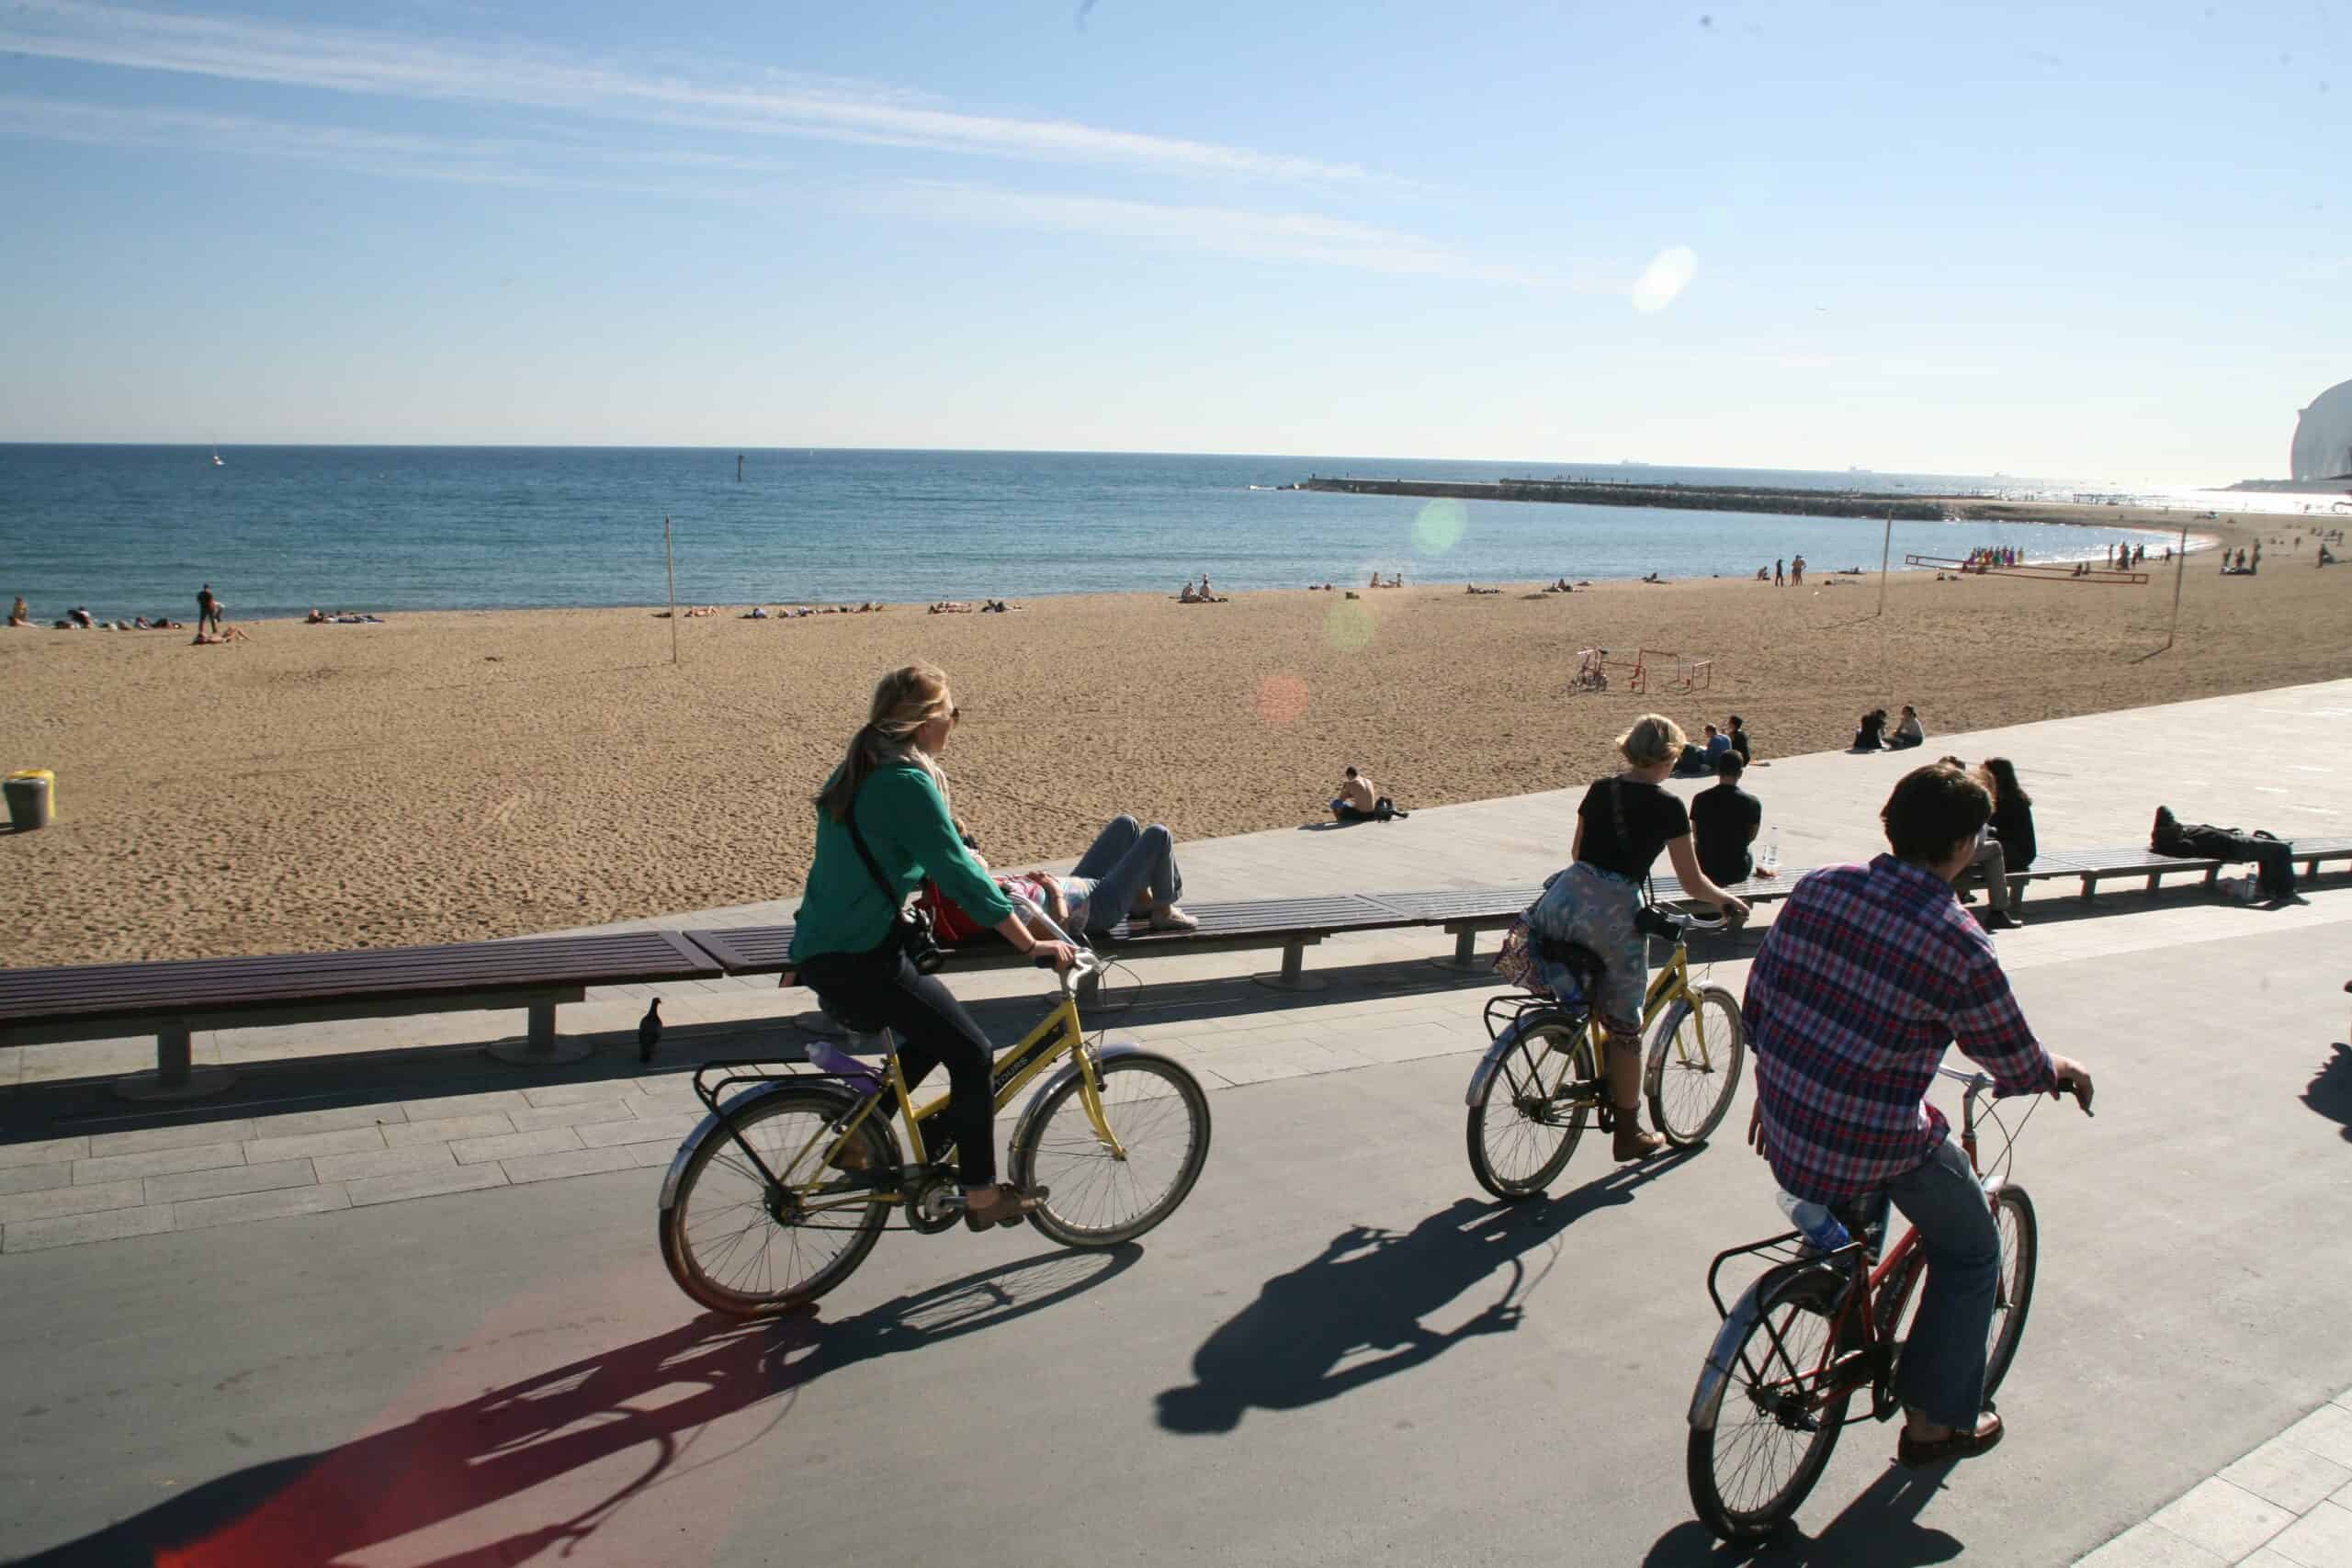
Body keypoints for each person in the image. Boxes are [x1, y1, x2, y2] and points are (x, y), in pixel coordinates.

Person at [1744, 764, 2092, 1467]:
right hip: (1871, 1138)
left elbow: (1762, 997)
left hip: (1786, 1118)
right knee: (1969, 1249)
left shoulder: (1820, 886)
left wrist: (1774, 1081)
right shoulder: (1958, 940)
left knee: (1862, 1196)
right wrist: (2057, 1069)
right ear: (1965, 844)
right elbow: (2012, 1056)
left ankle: (1841, 1295)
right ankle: (1935, 1422)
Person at [784, 664, 1077, 1232]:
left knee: (932, 1031)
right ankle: (980, 1194)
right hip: (862, 955)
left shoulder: (860, 768)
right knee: (972, 1053)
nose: (954, 724)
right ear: (924, 723)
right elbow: (959, 875)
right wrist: (1029, 943)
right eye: (951, 714)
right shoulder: (908, 782)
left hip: (825, 945)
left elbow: (913, 854)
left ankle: (859, 1142)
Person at [1520, 716, 1750, 1160]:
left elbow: (1576, 852)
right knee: (1626, 1026)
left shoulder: (1600, 790)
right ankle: (1628, 1134)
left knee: (1577, 975)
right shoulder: (1668, 806)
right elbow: (1692, 883)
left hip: (1563, 901)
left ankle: (1564, 1029)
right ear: (1670, 757)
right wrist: (1727, 901)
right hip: (1611, 917)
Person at [1690, 751, 1762, 903]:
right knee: (1747, 850)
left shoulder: (1700, 799)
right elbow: (1751, 837)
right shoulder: (1752, 803)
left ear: (1717, 771)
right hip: (1736, 869)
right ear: (1740, 773)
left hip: (1705, 866)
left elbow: (1696, 835)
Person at [1331, 765, 1408, 823]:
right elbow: (1364, 796)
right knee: (1352, 804)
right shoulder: (1368, 781)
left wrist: (1344, 788)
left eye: (1348, 777)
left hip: (1363, 815)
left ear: (1350, 775)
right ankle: (1388, 812)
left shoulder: (1350, 783)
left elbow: (1340, 800)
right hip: (1372, 813)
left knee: (1334, 803)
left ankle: (1340, 821)